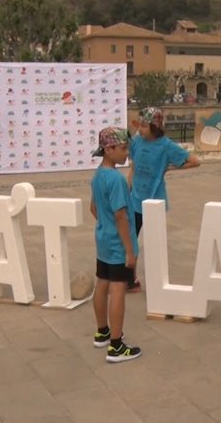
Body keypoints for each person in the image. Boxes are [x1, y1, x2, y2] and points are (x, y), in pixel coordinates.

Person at [127, 107, 200, 291]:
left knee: (153, 244)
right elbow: (133, 168)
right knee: (130, 240)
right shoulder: (136, 141)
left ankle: (157, 283)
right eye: (139, 125)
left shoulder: (166, 146)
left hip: (155, 201)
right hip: (135, 200)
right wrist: (128, 191)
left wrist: (170, 168)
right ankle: (130, 280)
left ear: (155, 126)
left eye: (144, 126)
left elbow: (195, 161)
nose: (140, 130)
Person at [90, 127, 142, 363]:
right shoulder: (117, 180)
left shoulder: (98, 174)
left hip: (103, 239)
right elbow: (121, 215)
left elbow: (94, 208)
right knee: (118, 288)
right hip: (118, 243)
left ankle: (102, 332)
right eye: (123, 149)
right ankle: (117, 345)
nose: (126, 154)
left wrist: (105, 225)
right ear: (109, 149)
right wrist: (130, 250)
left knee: (102, 282)